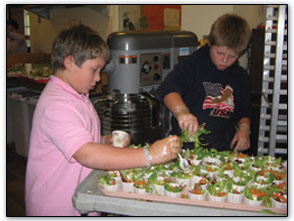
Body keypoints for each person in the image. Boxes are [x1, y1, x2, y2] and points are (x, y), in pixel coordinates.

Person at [25, 24, 181, 216]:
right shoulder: (57, 105)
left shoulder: (77, 95)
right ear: (69, 63)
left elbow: (75, 140)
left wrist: (101, 140)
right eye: (94, 69)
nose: (99, 78)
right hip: (57, 207)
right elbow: (86, 154)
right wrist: (150, 155)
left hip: (80, 200)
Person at [157, 13, 252, 152]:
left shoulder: (240, 76)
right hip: (186, 149)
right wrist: (181, 112)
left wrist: (244, 129)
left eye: (232, 56)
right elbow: (167, 89)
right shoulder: (192, 65)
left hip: (223, 149)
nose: (224, 60)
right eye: (219, 53)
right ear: (210, 43)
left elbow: (244, 109)